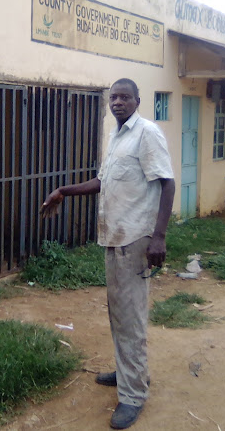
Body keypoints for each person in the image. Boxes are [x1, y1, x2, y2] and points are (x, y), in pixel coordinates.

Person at [40, 78, 175, 430]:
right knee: (118, 312)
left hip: (136, 238)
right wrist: (63, 191)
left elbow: (167, 182)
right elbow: (103, 181)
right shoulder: (116, 137)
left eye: (125, 97)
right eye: (113, 97)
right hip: (113, 238)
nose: (117, 102)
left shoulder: (147, 133)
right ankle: (128, 372)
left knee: (131, 316)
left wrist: (159, 236)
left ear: (137, 100)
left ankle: (133, 396)